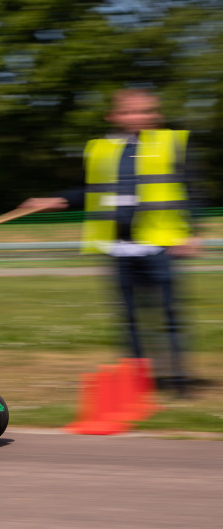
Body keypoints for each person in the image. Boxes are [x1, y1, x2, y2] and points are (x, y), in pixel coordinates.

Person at [21, 88, 199, 394]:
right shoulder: (101, 149)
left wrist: (191, 233)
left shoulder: (173, 144)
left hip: (161, 245)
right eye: (129, 112)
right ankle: (138, 384)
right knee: (129, 321)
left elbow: (192, 191)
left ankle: (179, 382)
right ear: (113, 116)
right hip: (119, 249)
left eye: (144, 112)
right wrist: (58, 199)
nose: (137, 118)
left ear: (156, 115)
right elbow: (93, 192)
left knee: (169, 318)